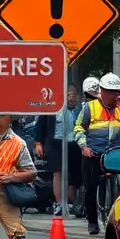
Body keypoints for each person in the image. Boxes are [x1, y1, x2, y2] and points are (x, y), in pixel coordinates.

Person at [73, 72, 120, 236]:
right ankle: (92, 221)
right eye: (111, 91)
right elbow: (78, 128)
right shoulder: (89, 107)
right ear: (102, 91)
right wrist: (84, 146)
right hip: (94, 153)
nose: (114, 95)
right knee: (90, 187)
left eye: (117, 92)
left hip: (116, 154)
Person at [36, 83, 81, 217]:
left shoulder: (80, 109)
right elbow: (41, 124)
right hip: (55, 142)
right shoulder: (52, 106)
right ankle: (60, 204)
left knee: (75, 174)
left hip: (74, 143)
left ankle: (75, 203)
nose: (71, 98)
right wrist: (39, 143)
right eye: (68, 95)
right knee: (57, 173)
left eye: (73, 95)